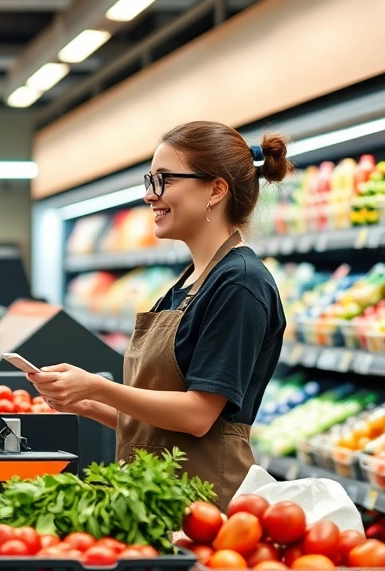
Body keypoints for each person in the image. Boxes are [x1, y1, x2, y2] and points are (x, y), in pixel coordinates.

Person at [28, 121, 290, 509]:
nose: (151, 196)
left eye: (164, 180)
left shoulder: (240, 284)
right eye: (150, 180)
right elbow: (158, 431)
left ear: (215, 190)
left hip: (203, 509)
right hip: (157, 497)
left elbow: (199, 415)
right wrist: (86, 405)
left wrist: (96, 387)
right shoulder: (188, 281)